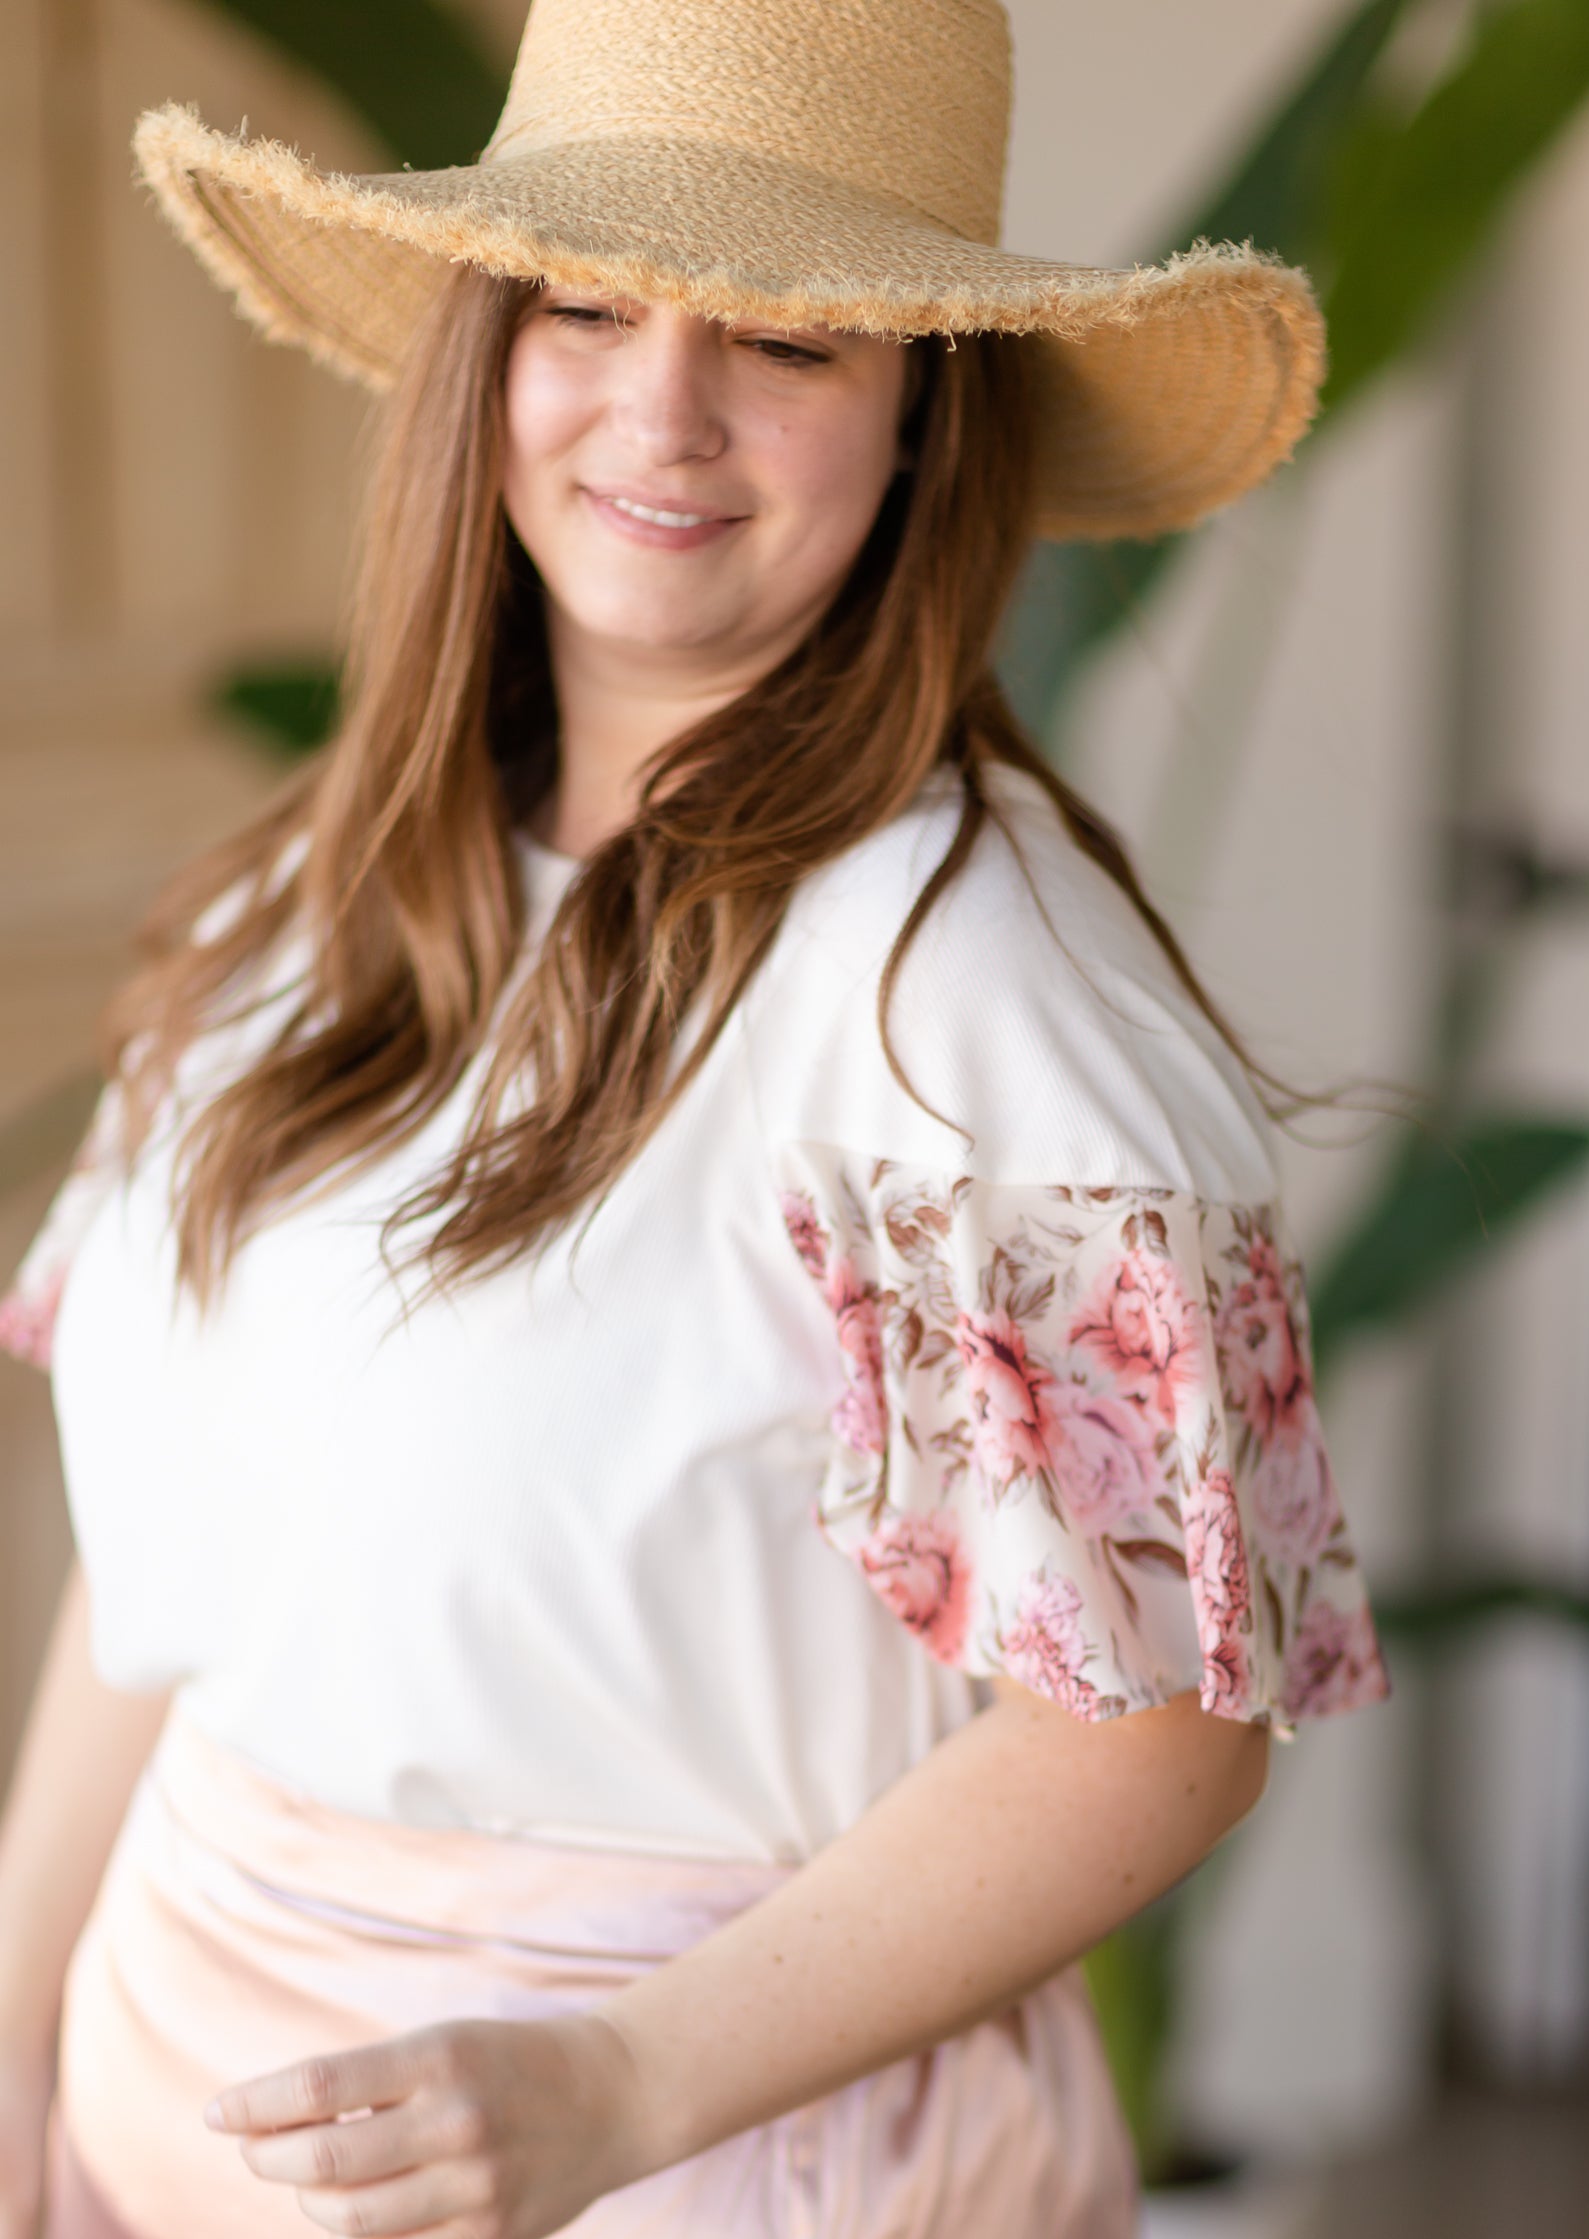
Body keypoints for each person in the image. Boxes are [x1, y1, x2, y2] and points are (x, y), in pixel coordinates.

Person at [0, 3, 1391, 2234]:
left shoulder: (968, 1003)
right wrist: (17, 2032)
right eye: (579, 303)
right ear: (484, 355)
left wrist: (616, 2086)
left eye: (785, 337)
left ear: (927, 415)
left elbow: (1155, 1726)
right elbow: (173, 1562)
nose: (662, 409)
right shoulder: (305, 903)